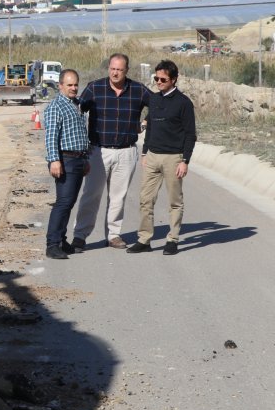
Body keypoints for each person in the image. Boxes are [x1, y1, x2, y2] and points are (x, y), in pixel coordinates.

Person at [72, 53, 150, 250]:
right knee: (91, 195)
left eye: (120, 70)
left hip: (126, 152)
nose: (115, 73)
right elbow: (77, 110)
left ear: (126, 71)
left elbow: (157, 105)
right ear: (108, 68)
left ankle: (114, 235)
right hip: (98, 151)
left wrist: (146, 122)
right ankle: (80, 235)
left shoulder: (138, 90)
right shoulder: (94, 88)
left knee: (118, 196)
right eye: (112, 69)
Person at [129, 59, 197, 256]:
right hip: (152, 156)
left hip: (173, 158)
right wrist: (145, 152)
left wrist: (185, 161)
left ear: (174, 80)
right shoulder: (154, 99)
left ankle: (172, 239)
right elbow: (151, 126)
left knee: (174, 202)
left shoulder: (184, 103)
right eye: (156, 78)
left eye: (163, 79)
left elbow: (190, 134)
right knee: (145, 199)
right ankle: (144, 239)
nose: (158, 82)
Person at [42, 69, 89, 259]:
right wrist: (54, 160)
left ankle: (61, 240)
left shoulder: (75, 104)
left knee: (69, 203)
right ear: (60, 85)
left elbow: (79, 133)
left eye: (76, 84)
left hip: (78, 159)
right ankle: (52, 244)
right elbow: (51, 136)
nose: (74, 88)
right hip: (65, 159)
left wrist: (85, 158)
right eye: (69, 85)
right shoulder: (56, 107)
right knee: (63, 203)